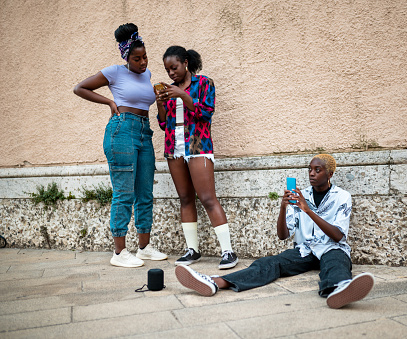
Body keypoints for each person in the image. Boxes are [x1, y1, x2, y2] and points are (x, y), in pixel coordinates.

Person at [174, 154, 375, 309]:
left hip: (332, 247)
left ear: (330, 174)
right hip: (305, 250)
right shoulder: (300, 196)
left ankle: (339, 290)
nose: (312, 174)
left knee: (336, 262)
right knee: (269, 262)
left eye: (318, 170)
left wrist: (308, 210)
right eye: (310, 169)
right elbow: (283, 235)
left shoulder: (342, 197)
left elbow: (338, 236)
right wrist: (283, 207)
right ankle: (216, 282)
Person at [73, 23, 167, 268]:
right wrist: (109, 103)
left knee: (145, 193)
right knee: (124, 193)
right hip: (122, 131)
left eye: (145, 57)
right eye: (137, 59)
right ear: (126, 57)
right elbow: (80, 88)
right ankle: (119, 252)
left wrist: (158, 100)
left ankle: (144, 248)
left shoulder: (146, 76)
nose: (143, 62)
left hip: (144, 133)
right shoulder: (114, 72)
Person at [154, 46, 238, 269]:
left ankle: (228, 252)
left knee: (208, 198)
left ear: (185, 63)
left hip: (198, 146)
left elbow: (206, 112)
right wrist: (161, 103)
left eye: (174, 68)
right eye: (167, 70)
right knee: (185, 198)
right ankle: (193, 250)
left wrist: (182, 94)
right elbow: (164, 123)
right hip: (174, 147)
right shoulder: (169, 90)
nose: (171, 73)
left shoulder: (204, 83)